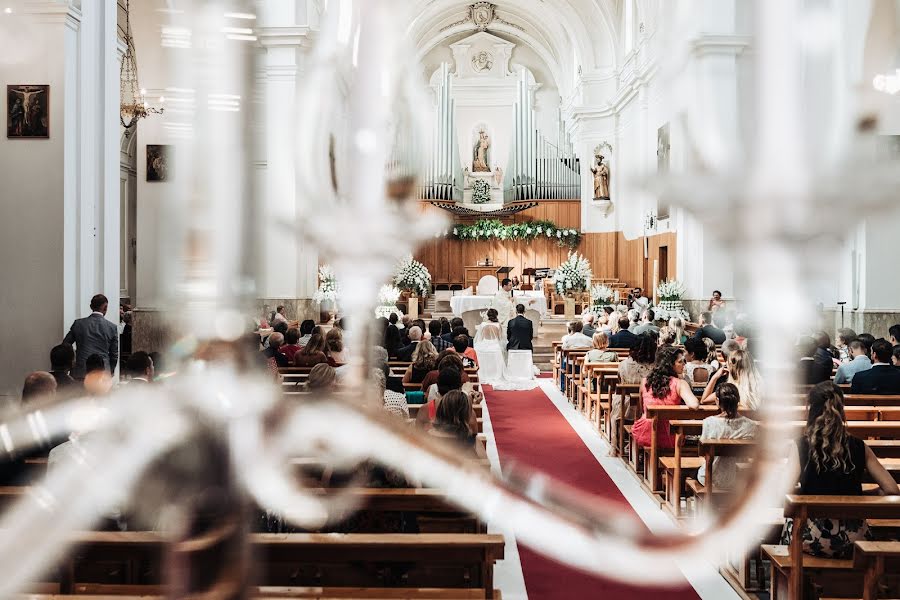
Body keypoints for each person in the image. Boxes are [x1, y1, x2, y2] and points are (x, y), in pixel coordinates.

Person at [781, 382, 899, 558]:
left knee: (790, 526)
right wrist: (865, 496)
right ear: (841, 409)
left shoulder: (802, 446)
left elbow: (784, 491)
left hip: (813, 538)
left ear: (811, 410)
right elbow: (892, 489)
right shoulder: (859, 446)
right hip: (853, 538)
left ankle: (795, 583)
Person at [631, 347, 700, 449]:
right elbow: (694, 404)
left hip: (645, 432)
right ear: (670, 365)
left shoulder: (645, 381)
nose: (684, 364)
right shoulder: (679, 384)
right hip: (669, 435)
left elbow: (642, 409)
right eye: (680, 362)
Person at [696, 383, 758, 489]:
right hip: (739, 479)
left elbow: (702, 452)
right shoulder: (751, 425)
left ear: (717, 401)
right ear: (738, 401)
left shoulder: (709, 422)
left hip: (711, 478)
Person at [609, 334, 657, 452]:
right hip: (648, 405)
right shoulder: (656, 367)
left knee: (617, 403)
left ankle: (618, 443)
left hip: (626, 405)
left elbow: (620, 379)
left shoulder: (624, 364)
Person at [63, 294, 119, 379]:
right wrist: (110, 371)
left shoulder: (78, 324)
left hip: (80, 369)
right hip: (103, 372)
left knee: (78, 392)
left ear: (91, 306)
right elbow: (114, 354)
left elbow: (65, 345)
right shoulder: (112, 327)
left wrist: (75, 357)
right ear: (105, 307)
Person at [428, 389, 480, 456]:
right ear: (465, 414)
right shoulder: (469, 440)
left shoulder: (427, 437)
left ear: (441, 410)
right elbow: (484, 464)